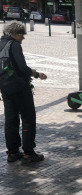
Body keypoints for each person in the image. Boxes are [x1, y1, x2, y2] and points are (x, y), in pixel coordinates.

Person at [0, 21, 47, 163]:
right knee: (28, 118)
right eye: (21, 34)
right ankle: (28, 152)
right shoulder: (14, 45)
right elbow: (22, 68)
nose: (23, 38)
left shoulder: (1, 44)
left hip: (6, 88)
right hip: (20, 88)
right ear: (13, 34)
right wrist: (36, 73)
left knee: (11, 120)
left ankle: (13, 152)